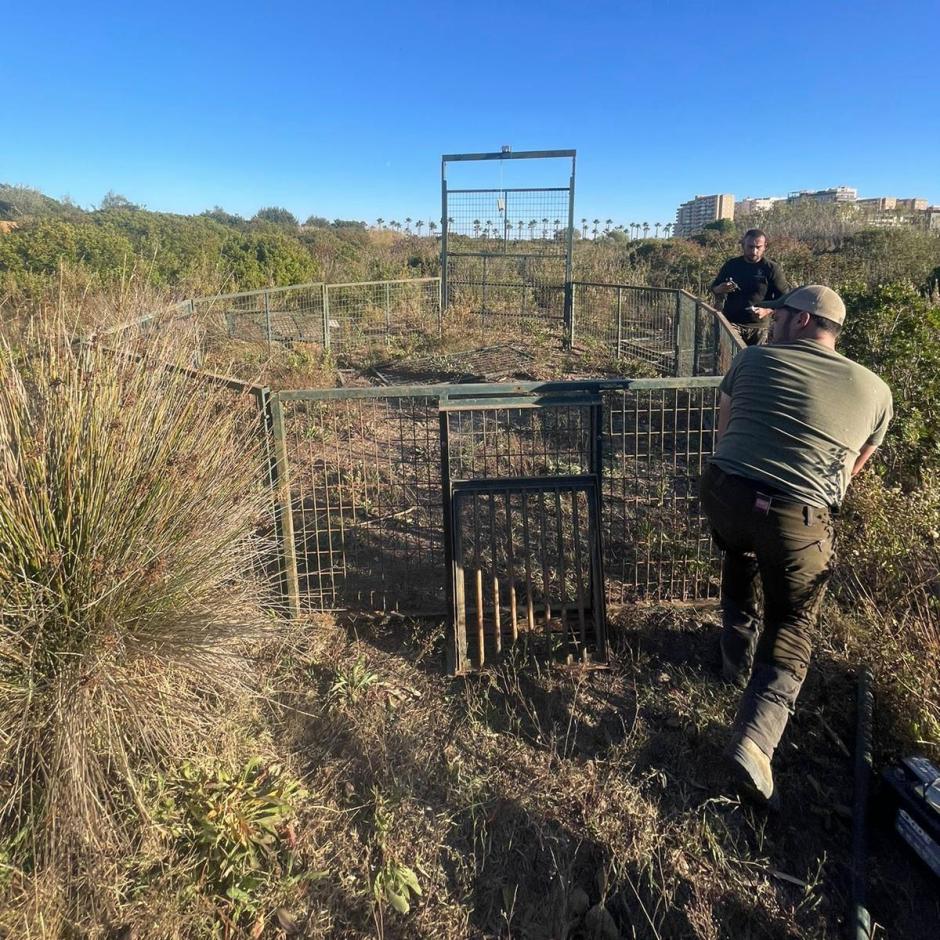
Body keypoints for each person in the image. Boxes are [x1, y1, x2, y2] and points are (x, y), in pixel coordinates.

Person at [699, 285, 893, 804]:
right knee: (793, 621)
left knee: (739, 549)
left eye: (780, 314)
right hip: (797, 516)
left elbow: (725, 430)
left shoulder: (754, 359)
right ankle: (757, 739)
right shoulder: (876, 390)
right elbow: (851, 470)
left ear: (803, 321)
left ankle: (733, 655)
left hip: (726, 492)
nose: (772, 319)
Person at [711, 229, 789, 346]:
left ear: (765, 246)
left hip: (759, 326)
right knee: (728, 359)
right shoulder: (732, 265)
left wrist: (767, 310)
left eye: (758, 247)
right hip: (731, 323)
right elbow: (714, 287)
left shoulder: (772, 269)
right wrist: (720, 289)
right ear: (743, 245)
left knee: (753, 362)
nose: (754, 251)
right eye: (750, 247)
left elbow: (783, 299)